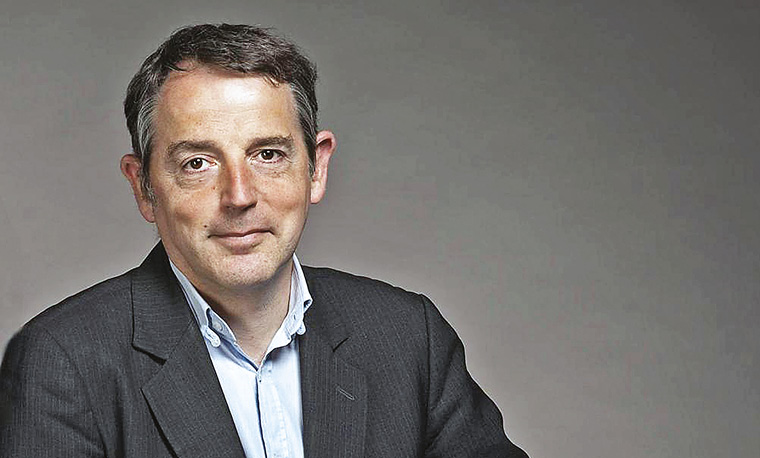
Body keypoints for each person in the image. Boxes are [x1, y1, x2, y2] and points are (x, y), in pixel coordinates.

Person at [0, 24, 527, 457]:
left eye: (268, 155)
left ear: (316, 168)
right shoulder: (62, 361)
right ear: (144, 187)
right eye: (198, 163)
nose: (240, 196)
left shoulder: (407, 336)